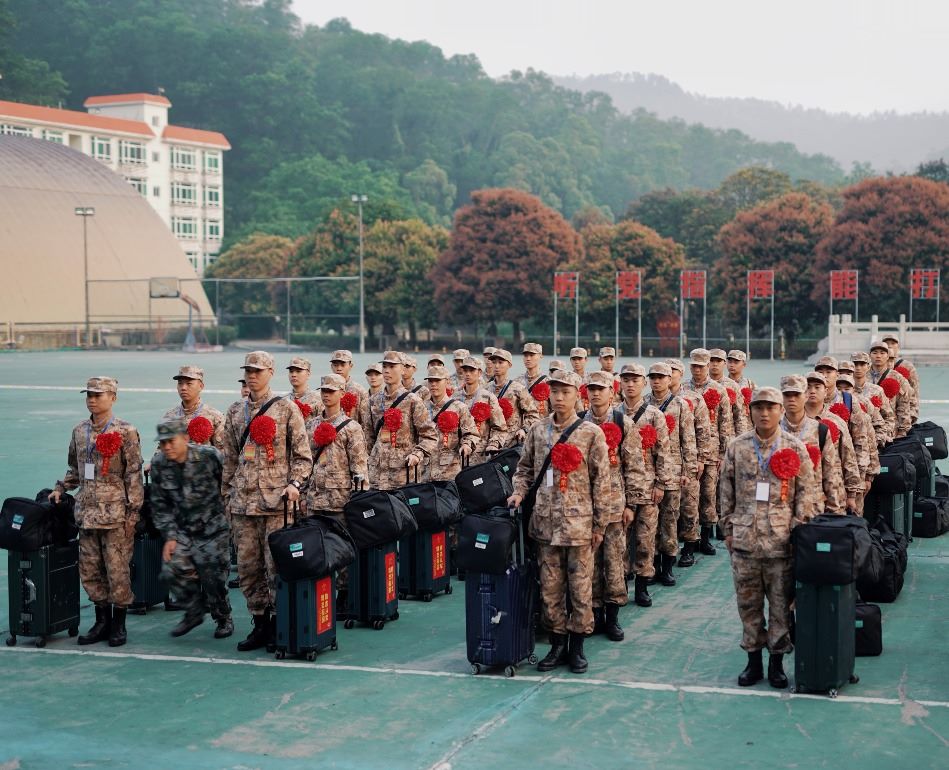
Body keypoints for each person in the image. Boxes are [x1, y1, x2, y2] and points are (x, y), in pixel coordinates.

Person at [508, 369, 611, 674]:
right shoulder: (538, 431)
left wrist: (600, 526)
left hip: (579, 526)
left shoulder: (591, 433)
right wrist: (518, 492)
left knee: (580, 588)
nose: (560, 397)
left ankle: (577, 647)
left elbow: (601, 481)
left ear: (577, 395)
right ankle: (556, 645)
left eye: (566, 392)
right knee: (550, 589)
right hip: (546, 525)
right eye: (555, 392)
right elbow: (525, 469)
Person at [720, 386, 814, 689]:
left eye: (770, 407)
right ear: (750, 411)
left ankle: (776, 663)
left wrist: (799, 533)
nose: (764, 413)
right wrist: (728, 530)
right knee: (748, 606)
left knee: (780, 606)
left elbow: (804, 495)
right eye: (758, 407)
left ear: (780, 410)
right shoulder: (737, 446)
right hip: (745, 541)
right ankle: (753, 663)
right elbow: (726, 491)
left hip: (780, 542)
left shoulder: (794, 447)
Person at [222, 351, 312, 652]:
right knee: (248, 567)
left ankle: (278, 625)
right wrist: (227, 494)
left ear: (271, 372)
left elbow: (302, 457)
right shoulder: (235, 412)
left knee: (276, 568)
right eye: (248, 370)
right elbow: (231, 459)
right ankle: (259, 624)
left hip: (276, 504)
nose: (252, 375)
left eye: (258, 370)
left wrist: (295, 484)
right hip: (244, 504)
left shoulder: (287, 409)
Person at [50, 377, 143, 647]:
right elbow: (75, 469)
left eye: (98, 395)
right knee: (90, 570)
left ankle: (119, 623)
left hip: (115, 515)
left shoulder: (126, 431)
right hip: (87, 514)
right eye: (89, 394)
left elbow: (134, 474)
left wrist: (133, 513)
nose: (92, 399)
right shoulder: (80, 432)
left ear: (112, 397)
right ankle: (101, 620)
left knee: (117, 571)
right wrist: (61, 487)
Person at [149, 418, 234, 639]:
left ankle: (222, 615)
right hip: (183, 530)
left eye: (171, 441)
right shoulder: (159, 464)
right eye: (163, 443)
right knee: (171, 570)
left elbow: (230, 483)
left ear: (185, 439)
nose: (167, 447)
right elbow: (159, 504)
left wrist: (230, 517)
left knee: (213, 577)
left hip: (213, 528)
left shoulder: (209, 456)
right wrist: (170, 536)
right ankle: (193, 610)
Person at [583, 370, 647, 641]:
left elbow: (634, 465)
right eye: (592, 388)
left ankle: (612, 616)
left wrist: (632, 503)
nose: (596, 393)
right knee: (590, 563)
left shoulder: (623, 422)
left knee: (615, 561)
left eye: (602, 388)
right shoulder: (579, 423)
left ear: (612, 391)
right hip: (586, 507)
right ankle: (594, 614)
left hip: (614, 505)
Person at [304, 374, 369, 611]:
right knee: (316, 550)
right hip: (314, 499)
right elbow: (304, 461)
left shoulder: (352, 428)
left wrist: (358, 499)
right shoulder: (311, 425)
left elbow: (359, 467)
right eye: (323, 390)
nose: (326, 394)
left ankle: (343, 594)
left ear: (342, 393)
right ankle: (321, 594)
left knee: (341, 550)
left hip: (340, 500)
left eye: (332, 390)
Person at [617, 363, 673, 607]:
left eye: (635, 380)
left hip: (648, 486)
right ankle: (618, 587)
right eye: (626, 379)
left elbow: (663, 452)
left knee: (645, 537)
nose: (630, 384)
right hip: (619, 486)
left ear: (643, 383)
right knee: (619, 539)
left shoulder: (654, 415)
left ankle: (642, 585)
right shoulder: (614, 414)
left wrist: (661, 483)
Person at [645, 362, 697, 583]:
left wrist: (688, 468)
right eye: (653, 377)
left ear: (669, 379)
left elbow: (688, 438)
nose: (656, 381)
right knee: (649, 522)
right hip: (648, 470)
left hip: (674, 469)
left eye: (661, 377)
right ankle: (652, 565)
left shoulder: (680, 404)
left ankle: (667, 565)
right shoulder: (644, 404)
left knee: (669, 517)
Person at [366, 351, 438, 490]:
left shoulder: (412, 400)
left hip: (403, 474)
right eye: (385, 366)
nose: (387, 370)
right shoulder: (374, 401)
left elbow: (430, 436)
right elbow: (368, 437)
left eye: (392, 366)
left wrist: (417, 454)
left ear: (403, 369)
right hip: (377, 475)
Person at [668, 359, 713, 567]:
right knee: (667, 509)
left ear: (680, 374)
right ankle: (667, 549)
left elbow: (703, 430)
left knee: (689, 503)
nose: (669, 374)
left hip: (689, 458)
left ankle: (689, 546)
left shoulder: (693, 399)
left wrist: (701, 458)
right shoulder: (651, 400)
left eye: (673, 371)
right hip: (665, 460)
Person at [688, 349, 734, 554]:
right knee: (690, 497)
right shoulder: (683, 389)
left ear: (707, 366)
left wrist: (725, 453)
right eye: (694, 366)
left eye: (701, 366)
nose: (697, 370)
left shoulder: (718, 390)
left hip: (712, 450)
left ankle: (705, 537)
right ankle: (691, 538)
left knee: (708, 494)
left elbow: (726, 423)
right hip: (689, 451)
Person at [779, 375, 844, 514]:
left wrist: (835, 511)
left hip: (813, 509)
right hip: (779, 510)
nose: (792, 399)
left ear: (805, 396)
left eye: (796, 394)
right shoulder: (773, 430)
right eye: (787, 395)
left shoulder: (819, 430)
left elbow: (831, 474)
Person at [803, 371, 861, 513]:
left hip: (834, 492)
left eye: (817, 387)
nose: (812, 391)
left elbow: (848, 458)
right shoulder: (793, 421)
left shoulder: (837, 422)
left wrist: (852, 494)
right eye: (808, 387)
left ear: (826, 391)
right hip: (802, 492)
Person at [423, 365, 477, 480]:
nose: (433, 384)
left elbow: (471, 433)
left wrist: (467, 445)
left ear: (447, 381)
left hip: (449, 472)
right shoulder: (421, 408)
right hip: (424, 473)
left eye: (437, 380)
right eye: (430, 381)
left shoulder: (459, 407)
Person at [160, 365, 225, 450]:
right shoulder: (169, 417)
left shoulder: (215, 417)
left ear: (201, 386)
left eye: (189, 383)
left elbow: (223, 454)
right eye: (180, 383)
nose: (183, 388)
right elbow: (162, 450)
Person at [458, 355, 508, 463]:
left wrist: (493, 445)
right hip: (456, 458)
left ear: (480, 373)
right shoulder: (455, 397)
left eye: (471, 370)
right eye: (465, 370)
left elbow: (500, 428)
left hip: (480, 456)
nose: (467, 374)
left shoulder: (488, 397)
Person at [489, 348, 539, 447]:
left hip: (511, 443)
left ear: (509, 365)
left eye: (501, 362)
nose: (496, 366)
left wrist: (524, 430)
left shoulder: (518, 389)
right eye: (494, 362)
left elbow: (533, 415)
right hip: (488, 444)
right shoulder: (485, 389)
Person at [868, 340, 912, 438]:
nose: (878, 356)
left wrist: (902, 431)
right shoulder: (864, 375)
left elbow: (903, 405)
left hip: (890, 429)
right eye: (874, 353)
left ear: (888, 356)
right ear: (869, 356)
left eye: (882, 353)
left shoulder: (897, 377)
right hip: (867, 427)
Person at [852, 351, 895, 444]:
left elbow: (889, 417)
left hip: (876, 440)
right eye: (855, 364)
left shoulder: (877, 390)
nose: (858, 368)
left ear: (868, 367)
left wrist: (881, 437)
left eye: (862, 364)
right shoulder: (845, 391)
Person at [709, 348, 749, 436]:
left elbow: (740, 416)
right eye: (711, 360)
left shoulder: (737, 385)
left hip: (728, 434)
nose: (715, 364)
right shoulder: (701, 386)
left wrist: (741, 439)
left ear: (723, 363)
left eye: (718, 361)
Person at [882, 333, 919, 424]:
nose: (889, 345)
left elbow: (914, 392)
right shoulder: (876, 365)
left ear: (898, 346)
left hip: (902, 413)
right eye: (886, 343)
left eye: (893, 343)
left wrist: (911, 417)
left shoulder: (907, 366)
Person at [330, 349, 368, 420]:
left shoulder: (360, 391)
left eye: (342, 365)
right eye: (336, 365)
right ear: (331, 367)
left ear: (351, 366)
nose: (339, 368)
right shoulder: (326, 391)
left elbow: (365, 421)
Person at [519, 342, 549, 417]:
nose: (528, 359)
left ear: (540, 356)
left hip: (541, 426)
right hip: (522, 427)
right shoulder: (517, 382)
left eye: (532, 355)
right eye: (525, 356)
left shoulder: (548, 382)